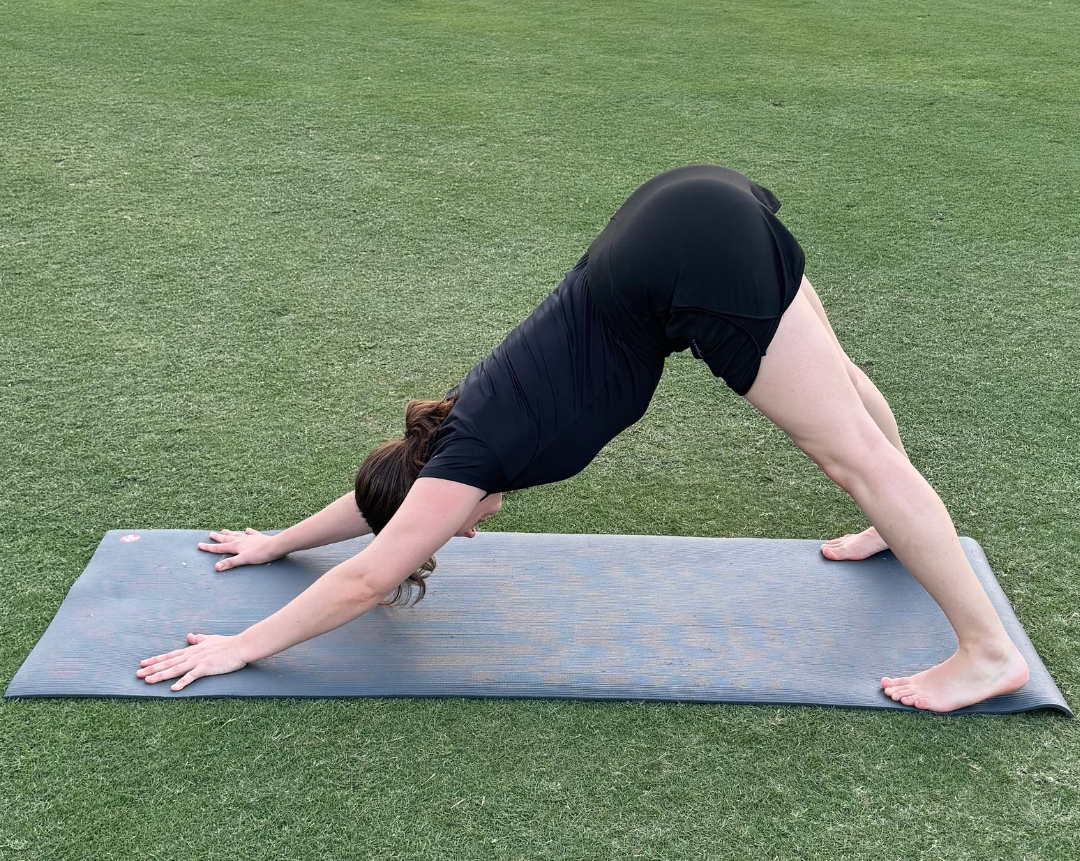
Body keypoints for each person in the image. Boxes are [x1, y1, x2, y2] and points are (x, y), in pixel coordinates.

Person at [137, 165, 1029, 711]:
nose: (469, 531)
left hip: (689, 261)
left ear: (434, 497)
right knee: (837, 389)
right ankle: (893, 528)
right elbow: (381, 512)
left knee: (847, 455)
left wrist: (238, 646)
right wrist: (279, 543)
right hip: (684, 209)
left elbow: (373, 573)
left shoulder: (471, 460)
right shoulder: (459, 426)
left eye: (448, 530)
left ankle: (986, 655)